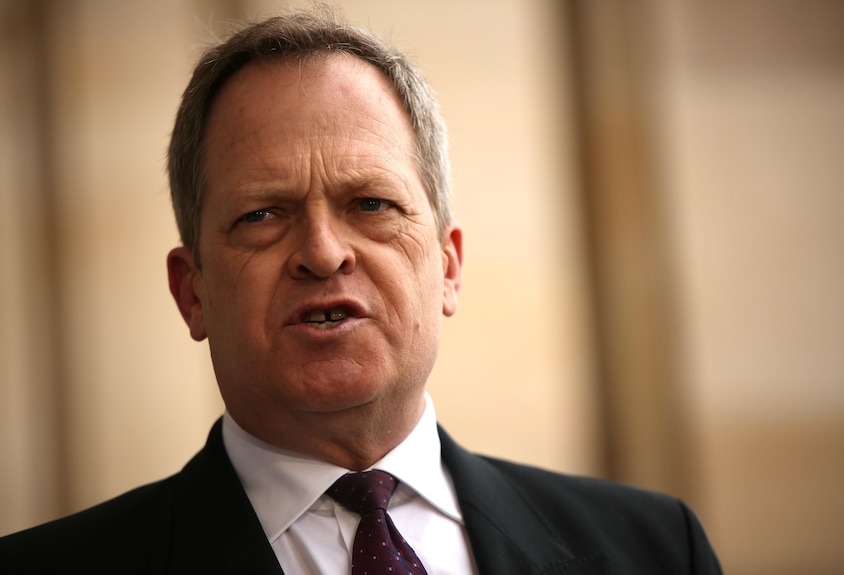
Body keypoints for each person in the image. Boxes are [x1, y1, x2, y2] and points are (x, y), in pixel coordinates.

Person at [0, 9, 722, 574]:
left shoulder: (658, 549)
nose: (321, 252)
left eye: (371, 204)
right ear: (192, 293)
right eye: (262, 215)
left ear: (447, 266)